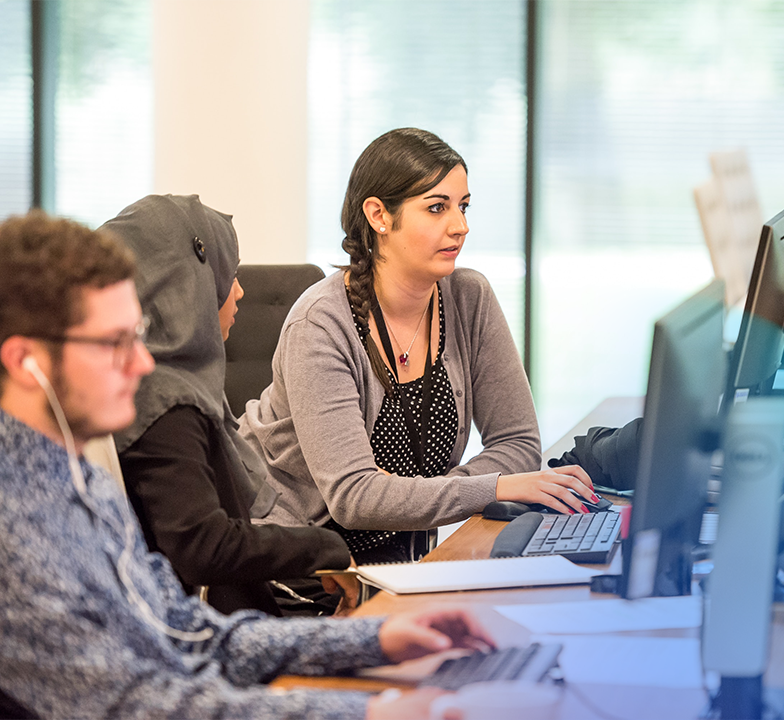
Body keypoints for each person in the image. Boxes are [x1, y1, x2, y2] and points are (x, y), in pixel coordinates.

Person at [0, 211, 493, 719]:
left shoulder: (72, 481)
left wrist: (373, 639)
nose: (140, 364)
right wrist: (366, 710)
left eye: (139, 335)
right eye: (113, 343)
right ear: (26, 361)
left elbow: (188, 631)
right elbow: (144, 707)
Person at [240, 128, 597, 563]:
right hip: (303, 566)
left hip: (404, 559)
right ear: (379, 216)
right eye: (436, 208)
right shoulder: (321, 324)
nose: (460, 226)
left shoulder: (468, 297)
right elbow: (354, 497)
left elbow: (518, 443)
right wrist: (493, 487)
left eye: (463, 206)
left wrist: (430, 496)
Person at [103, 194, 357, 617]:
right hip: (214, 632)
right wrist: (322, 548)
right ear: (187, 284)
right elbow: (203, 547)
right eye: (229, 275)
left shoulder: (159, 385)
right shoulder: (166, 403)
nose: (239, 291)